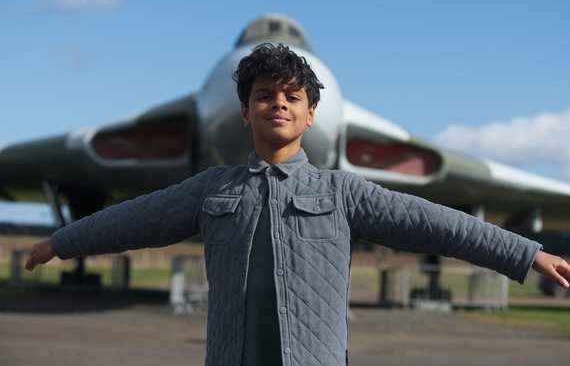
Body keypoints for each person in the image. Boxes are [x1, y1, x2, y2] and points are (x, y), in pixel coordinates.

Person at [26, 43, 570, 366]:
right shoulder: (214, 189)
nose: (277, 105)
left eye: (291, 97)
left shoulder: (341, 193)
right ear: (246, 112)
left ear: (312, 114)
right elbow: (135, 219)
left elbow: (436, 224)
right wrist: (62, 242)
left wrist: (524, 254)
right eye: (264, 96)